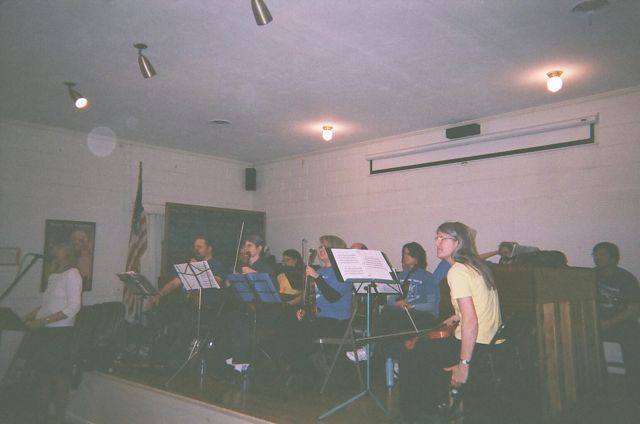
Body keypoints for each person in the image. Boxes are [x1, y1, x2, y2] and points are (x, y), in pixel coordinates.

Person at [399, 222, 502, 423]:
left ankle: (422, 416)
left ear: (458, 242)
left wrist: (464, 364)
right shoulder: (477, 266)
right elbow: (478, 307)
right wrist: (456, 316)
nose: (437, 242)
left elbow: (471, 322)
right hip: (490, 341)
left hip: (474, 345)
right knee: (423, 351)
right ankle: (437, 406)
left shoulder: (457, 271)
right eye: (436, 237)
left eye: (443, 238)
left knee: (411, 356)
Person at [22, 242, 82, 424]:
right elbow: (46, 305)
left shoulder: (72, 274)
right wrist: (27, 317)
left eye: (58, 248)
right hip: (45, 333)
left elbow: (73, 307)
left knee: (58, 378)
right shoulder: (54, 275)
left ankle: (59, 418)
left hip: (60, 334)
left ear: (68, 252)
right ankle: (40, 417)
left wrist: (42, 321)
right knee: (42, 376)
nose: (54, 250)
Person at [374, 242, 439, 363]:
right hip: (402, 314)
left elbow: (431, 305)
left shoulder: (427, 277)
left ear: (417, 257)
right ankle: (393, 356)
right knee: (387, 314)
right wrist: (397, 304)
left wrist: (412, 306)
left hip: (422, 315)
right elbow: (391, 301)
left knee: (389, 314)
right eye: (404, 254)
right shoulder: (400, 276)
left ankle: (373, 350)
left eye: (409, 254)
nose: (405, 256)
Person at [592, 242, 640, 399]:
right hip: (597, 323)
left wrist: (608, 323)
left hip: (621, 322)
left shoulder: (626, 278)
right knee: (581, 338)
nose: (597, 258)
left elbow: (634, 310)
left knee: (633, 337)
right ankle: (598, 385)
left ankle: (635, 386)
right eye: (595, 255)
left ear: (613, 258)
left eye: (601, 254)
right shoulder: (589, 276)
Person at [147, 236, 226, 308]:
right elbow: (175, 283)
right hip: (184, 301)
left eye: (199, 247)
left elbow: (216, 282)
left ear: (209, 249)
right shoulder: (192, 263)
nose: (196, 250)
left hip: (202, 305)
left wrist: (198, 268)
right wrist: (159, 295)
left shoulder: (216, 265)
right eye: (195, 247)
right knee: (161, 304)